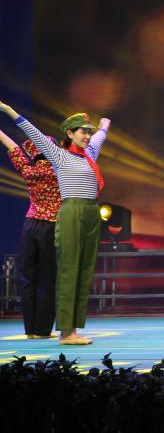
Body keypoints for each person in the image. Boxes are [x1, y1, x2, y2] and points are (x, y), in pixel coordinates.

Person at [0, 102, 110, 345]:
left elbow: (99, 138)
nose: (87, 136)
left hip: (91, 212)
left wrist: (104, 127)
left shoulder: (89, 155)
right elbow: (33, 133)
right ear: (69, 133)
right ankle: (65, 332)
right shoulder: (58, 155)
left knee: (84, 271)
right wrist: (10, 112)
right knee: (69, 270)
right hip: (71, 211)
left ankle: (74, 329)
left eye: (88, 132)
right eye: (82, 132)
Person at [1, 127, 62, 339]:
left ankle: (30, 330)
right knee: (48, 278)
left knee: (27, 277)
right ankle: (43, 330)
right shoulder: (59, 170)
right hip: (51, 226)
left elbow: (13, 148)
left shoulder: (29, 170)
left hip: (30, 226)